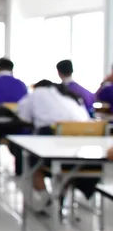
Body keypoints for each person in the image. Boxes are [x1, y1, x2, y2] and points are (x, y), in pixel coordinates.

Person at [13, 80, 94, 209]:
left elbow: (23, 117)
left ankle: (44, 196)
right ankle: (60, 195)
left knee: (28, 156)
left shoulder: (37, 93)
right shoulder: (70, 96)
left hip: (54, 140)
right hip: (83, 150)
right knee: (66, 167)